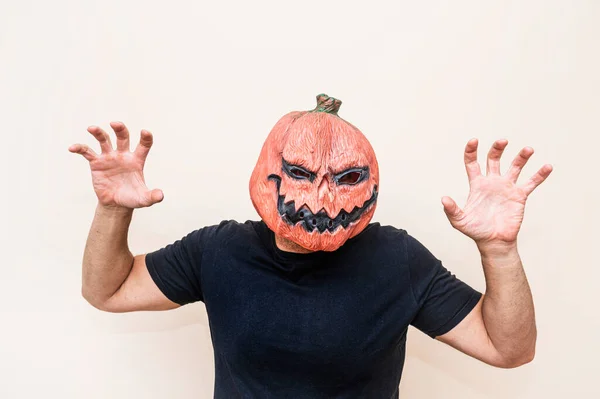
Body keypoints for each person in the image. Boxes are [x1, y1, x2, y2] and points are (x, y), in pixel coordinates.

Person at [69, 94, 552, 398]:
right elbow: (106, 291)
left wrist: (499, 249)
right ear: (267, 172)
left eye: (346, 179)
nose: (321, 198)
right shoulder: (218, 251)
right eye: (299, 174)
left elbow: (509, 350)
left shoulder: (397, 260)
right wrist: (114, 209)